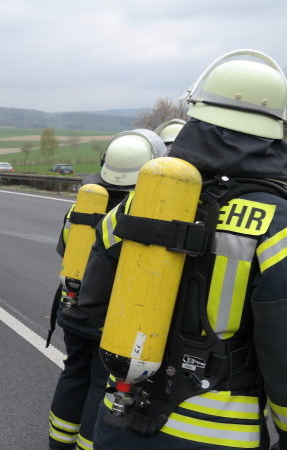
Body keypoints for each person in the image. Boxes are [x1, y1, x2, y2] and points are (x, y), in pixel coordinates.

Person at [78, 49, 287, 449]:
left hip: (121, 412)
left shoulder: (147, 198)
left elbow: (91, 298)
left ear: (196, 115)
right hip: (218, 433)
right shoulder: (276, 222)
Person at [47, 129, 166, 450]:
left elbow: (64, 249)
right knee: (102, 384)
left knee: (74, 371)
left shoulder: (82, 207)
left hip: (71, 308)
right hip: (110, 317)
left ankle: (58, 442)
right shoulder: (140, 215)